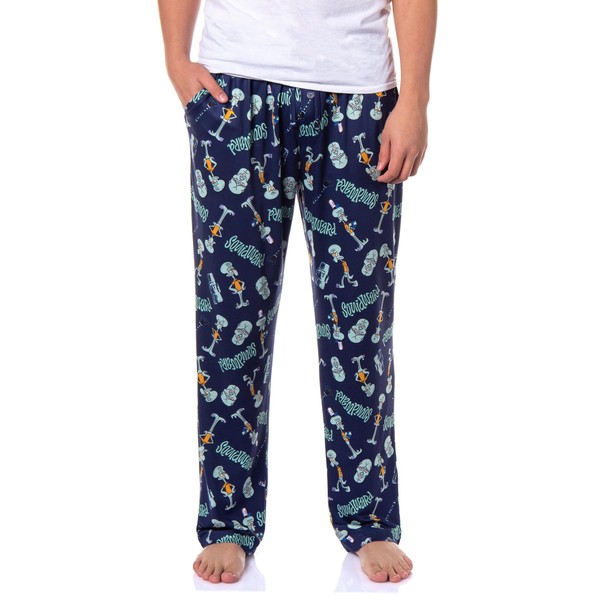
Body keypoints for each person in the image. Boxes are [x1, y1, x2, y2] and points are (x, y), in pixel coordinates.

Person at [157, 0, 436, 585]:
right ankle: (228, 520)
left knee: (360, 329)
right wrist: (177, 60)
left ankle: (368, 518)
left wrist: (414, 98)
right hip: (236, 93)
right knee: (230, 324)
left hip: (359, 97)